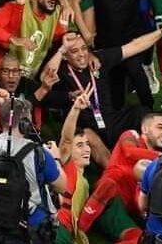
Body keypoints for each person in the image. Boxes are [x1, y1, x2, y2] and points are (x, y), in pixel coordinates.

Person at [43, 27, 162, 147]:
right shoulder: (61, 70)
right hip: (87, 126)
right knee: (88, 135)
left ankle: (158, 154)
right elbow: (44, 78)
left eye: (84, 48)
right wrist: (62, 50)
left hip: (111, 120)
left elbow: (134, 46)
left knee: (142, 113)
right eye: (74, 51)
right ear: (65, 56)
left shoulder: (97, 59)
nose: (81, 54)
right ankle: (112, 161)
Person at [70, 0, 156, 108]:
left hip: (131, 44)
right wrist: (85, 33)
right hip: (106, 45)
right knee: (115, 92)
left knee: (137, 75)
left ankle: (151, 112)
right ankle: (119, 117)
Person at [0, 97, 67, 244]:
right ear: (25, 124)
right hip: (32, 231)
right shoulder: (38, 153)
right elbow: (62, 187)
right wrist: (55, 158)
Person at [55, 92, 143, 244]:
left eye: (87, 144)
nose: (86, 149)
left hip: (69, 232)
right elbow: (67, 139)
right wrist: (76, 109)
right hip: (58, 230)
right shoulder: (66, 165)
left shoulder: (84, 179)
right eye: (80, 145)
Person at [77, 113, 162, 233]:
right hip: (107, 196)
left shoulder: (158, 162)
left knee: (135, 236)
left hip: (125, 209)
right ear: (145, 129)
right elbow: (129, 152)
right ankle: (78, 230)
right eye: (160, 127)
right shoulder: (132, 135)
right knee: (109, 183)